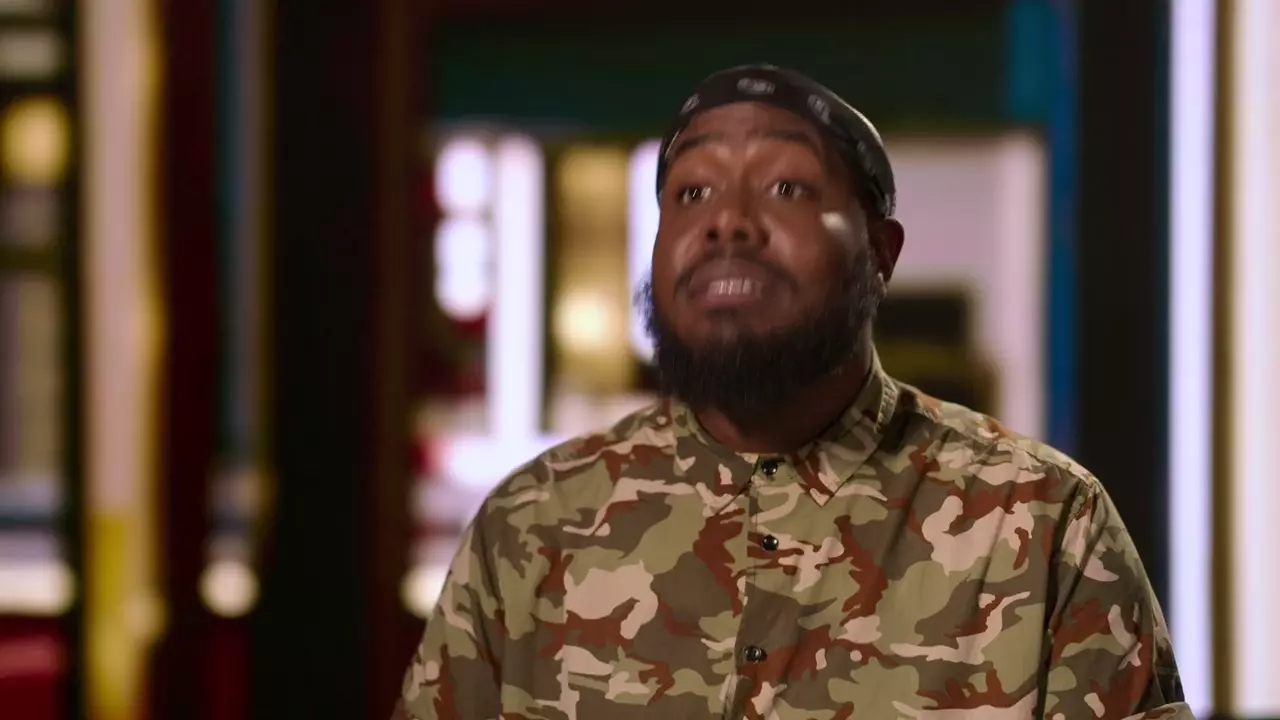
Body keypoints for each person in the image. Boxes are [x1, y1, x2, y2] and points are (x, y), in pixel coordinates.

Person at [393, 64, 1191, 719]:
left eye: (786, 189)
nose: (728, 223)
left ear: (881, 252)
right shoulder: (530, 528)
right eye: (691, 193)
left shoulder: (1040, 525)